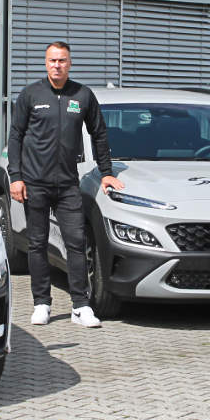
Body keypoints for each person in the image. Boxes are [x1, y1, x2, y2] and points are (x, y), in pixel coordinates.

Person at [7, 42, 124, 328]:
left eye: (62, 60)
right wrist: (16, 176)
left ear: (70, 63)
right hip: (35, 183)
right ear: (45, 63)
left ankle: (80, 306)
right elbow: (16, 136)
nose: (57, 65)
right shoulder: (31, 95)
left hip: (68, 185)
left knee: (75, 242)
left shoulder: (82, 95)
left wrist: (106, 171)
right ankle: (41, 303)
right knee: (37, 244)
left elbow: (99, 134)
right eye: (52, 61)